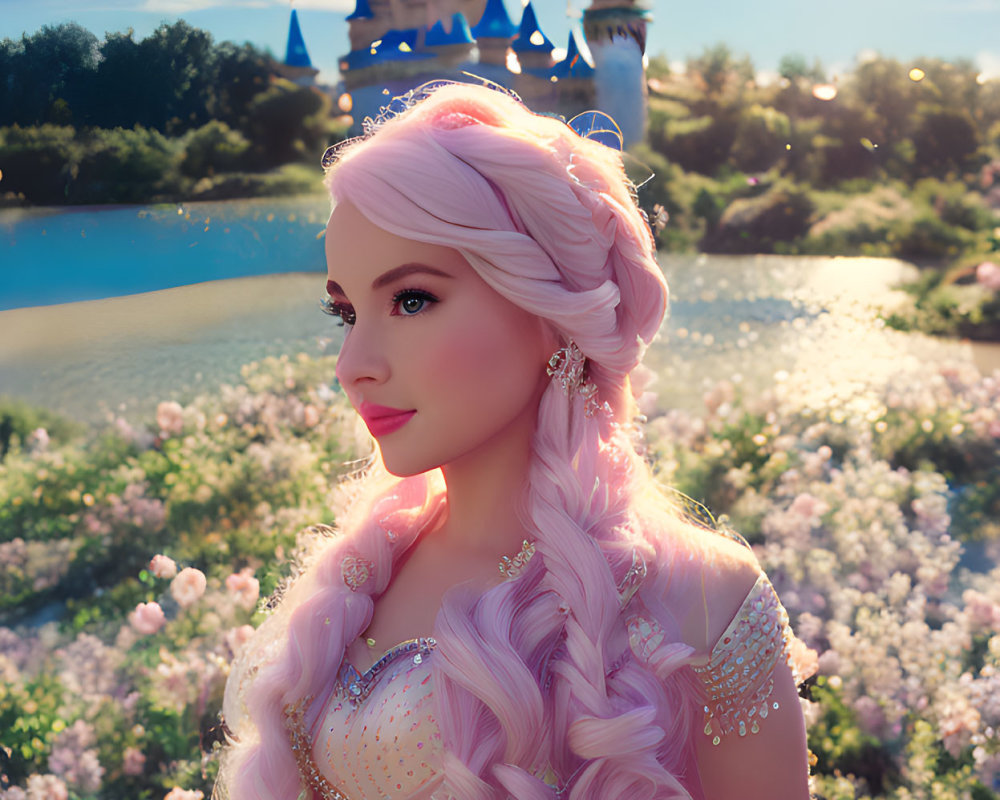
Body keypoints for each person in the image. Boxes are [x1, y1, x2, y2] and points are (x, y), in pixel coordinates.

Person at [216, 81, 812, 800]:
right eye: (345, 311)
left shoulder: (703, 602)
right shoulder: (353, 574)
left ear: (549, 311)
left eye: (411, 300)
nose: (352, 367)